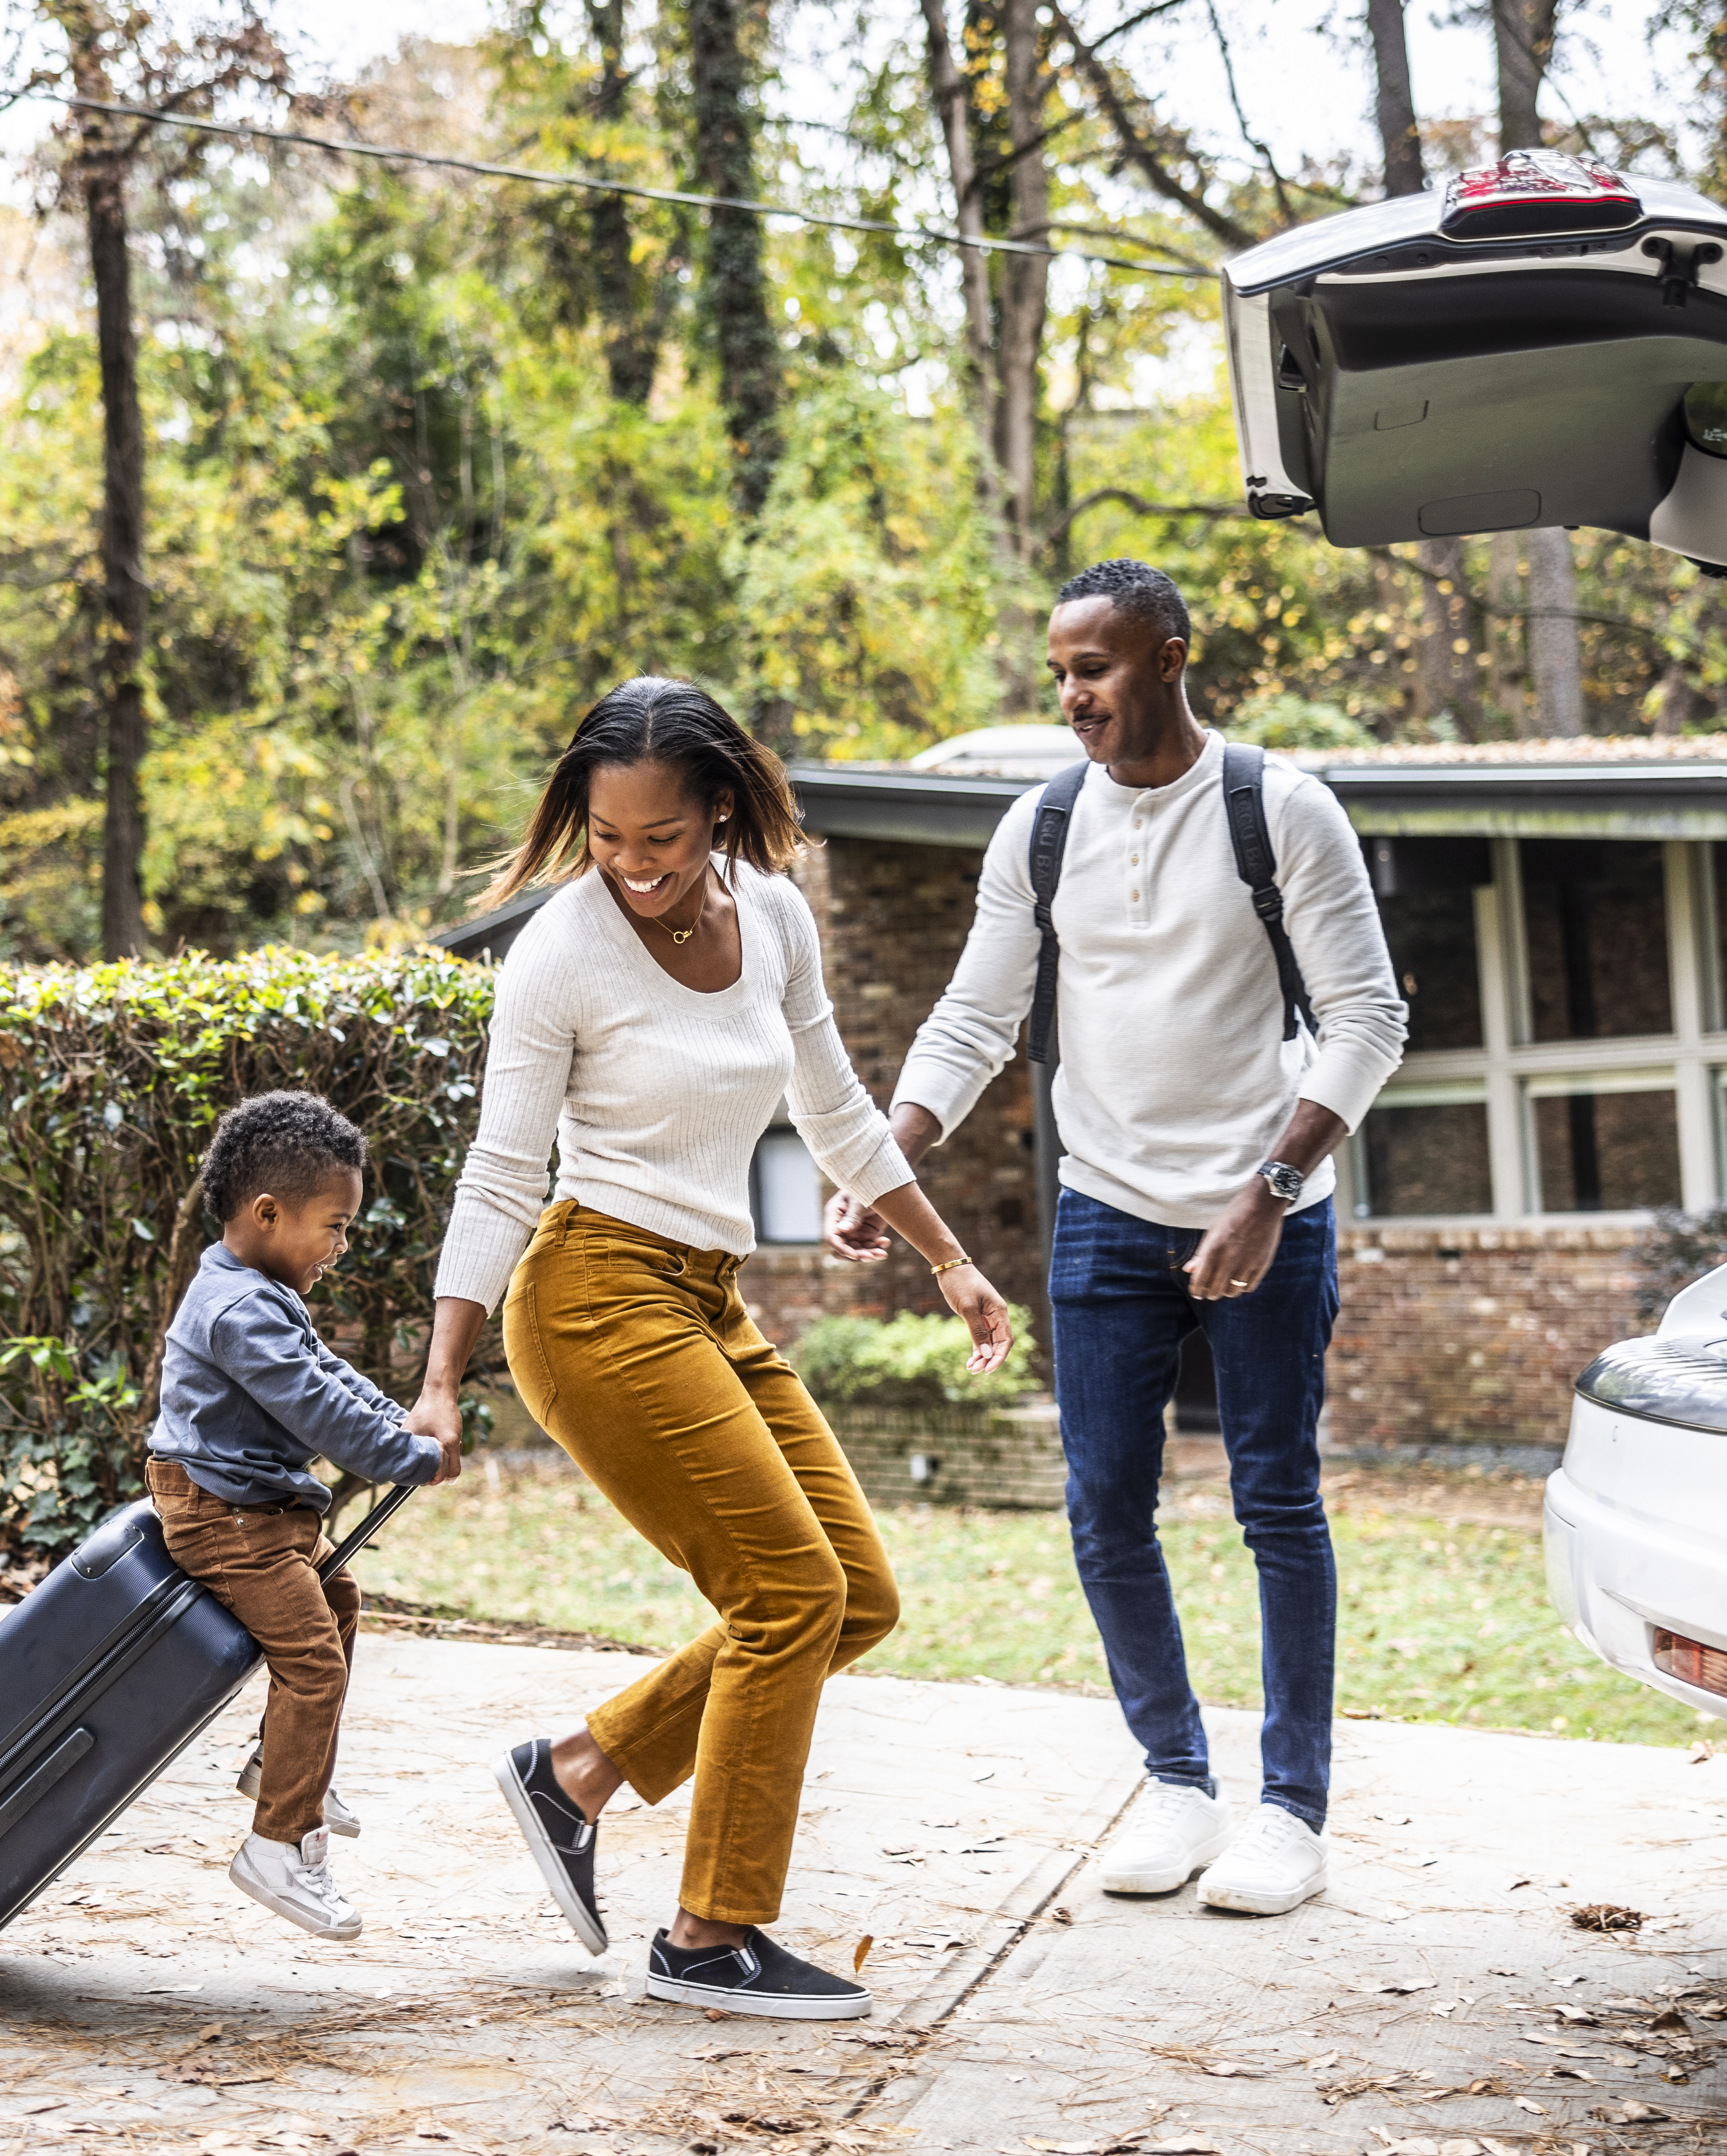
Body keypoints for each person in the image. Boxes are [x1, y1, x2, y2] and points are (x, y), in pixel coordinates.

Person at [406, 678, 1010, 2023]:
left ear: (721, 808)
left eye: (661, 840)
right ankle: (709, 1937)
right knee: (788, 1596)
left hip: (702, 1295)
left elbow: (836, 1108)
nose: (633, 867)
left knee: (855, 1594)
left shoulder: (777, 915)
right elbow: (501, 1175)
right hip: (588, 1297)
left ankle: (577, 1770)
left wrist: (951, 1258)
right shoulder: (561, 952)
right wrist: (442, 1381)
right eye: (609, 839)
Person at [828, 559, 1407, 1917]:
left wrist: (1268, 1189)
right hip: (1102, 1211)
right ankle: (1177, 1781)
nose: (1073, 697)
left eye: (1094, 668)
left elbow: (1369, 1021)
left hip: (1268, 1207)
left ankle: (1292, 1812)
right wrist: (882, 1156)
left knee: (1276, 1501)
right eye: (1060, 675)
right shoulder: (1039, 832)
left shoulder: (1282, 811)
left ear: (1168, 656)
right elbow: (972, 1023)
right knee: (1103, 1510)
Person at [148, 1091, 457, 1942]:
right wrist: (410, 1456)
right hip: (224, 1519)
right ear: (269, 1212)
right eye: (336, 1225)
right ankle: (279, 1844)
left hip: (255, 1512)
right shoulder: (241, 1310)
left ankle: (286, 1771)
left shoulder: (255, 1291)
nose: (342, 1246)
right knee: (314, 1663)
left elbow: (329, 1374)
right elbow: (315, 1410)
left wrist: (402, 1418)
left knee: (339, 1599)